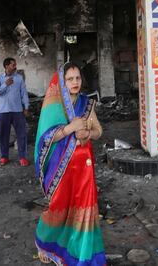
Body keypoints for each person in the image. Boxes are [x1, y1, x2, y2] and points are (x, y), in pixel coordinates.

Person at [34, 63, 105, 266]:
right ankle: (46, 244)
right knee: (59, 206)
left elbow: (99, 131)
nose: (75, 82)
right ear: (62, 82)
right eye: (70, 79)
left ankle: (82, 252)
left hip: (84, 168)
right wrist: (68, 129)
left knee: (85, 209)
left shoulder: (87, 104)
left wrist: (88, 134)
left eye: (78, 78)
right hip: (61, 168)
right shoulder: (53, 105)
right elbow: (44, 138)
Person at [0, 57, 31, 166]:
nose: (15, 67)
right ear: (6, 66)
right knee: (4, 135)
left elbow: (24, 93)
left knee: (21, 134)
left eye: (15, 65)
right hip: (3, 111)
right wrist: (5, 84)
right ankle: (4, 157)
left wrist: (26, 107)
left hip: (18, 111)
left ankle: (22, 157)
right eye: (13, 65)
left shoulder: (19, 78)